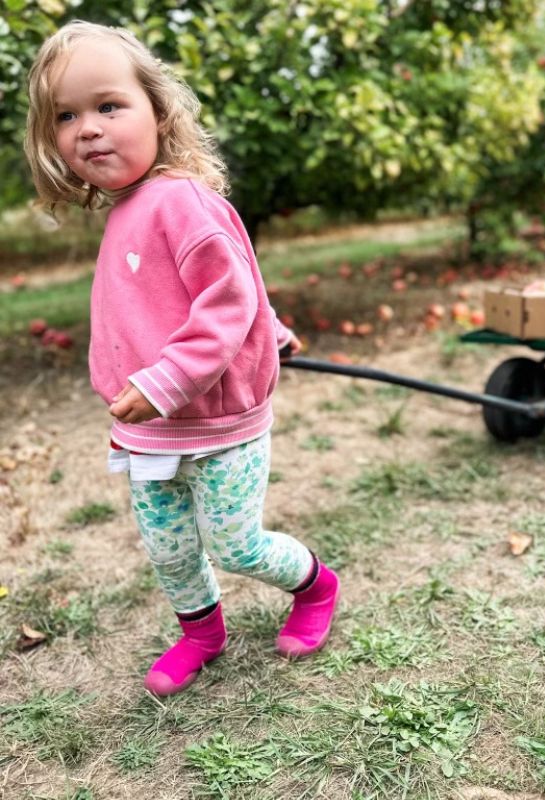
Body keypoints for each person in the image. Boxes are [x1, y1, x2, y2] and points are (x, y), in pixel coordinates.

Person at [24, 21, 340, 697]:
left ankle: (317, 587)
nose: (88, 128)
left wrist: (170, 378)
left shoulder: (181, 200)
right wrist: (272, 327)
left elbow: (225, 300)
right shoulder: (128, 209)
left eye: (109, 106)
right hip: (149, 430)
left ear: (159, 114)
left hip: (216, 425)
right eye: (67, 116)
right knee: (169, 548)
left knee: (234, 545)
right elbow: (201, 289)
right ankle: (202, 633)